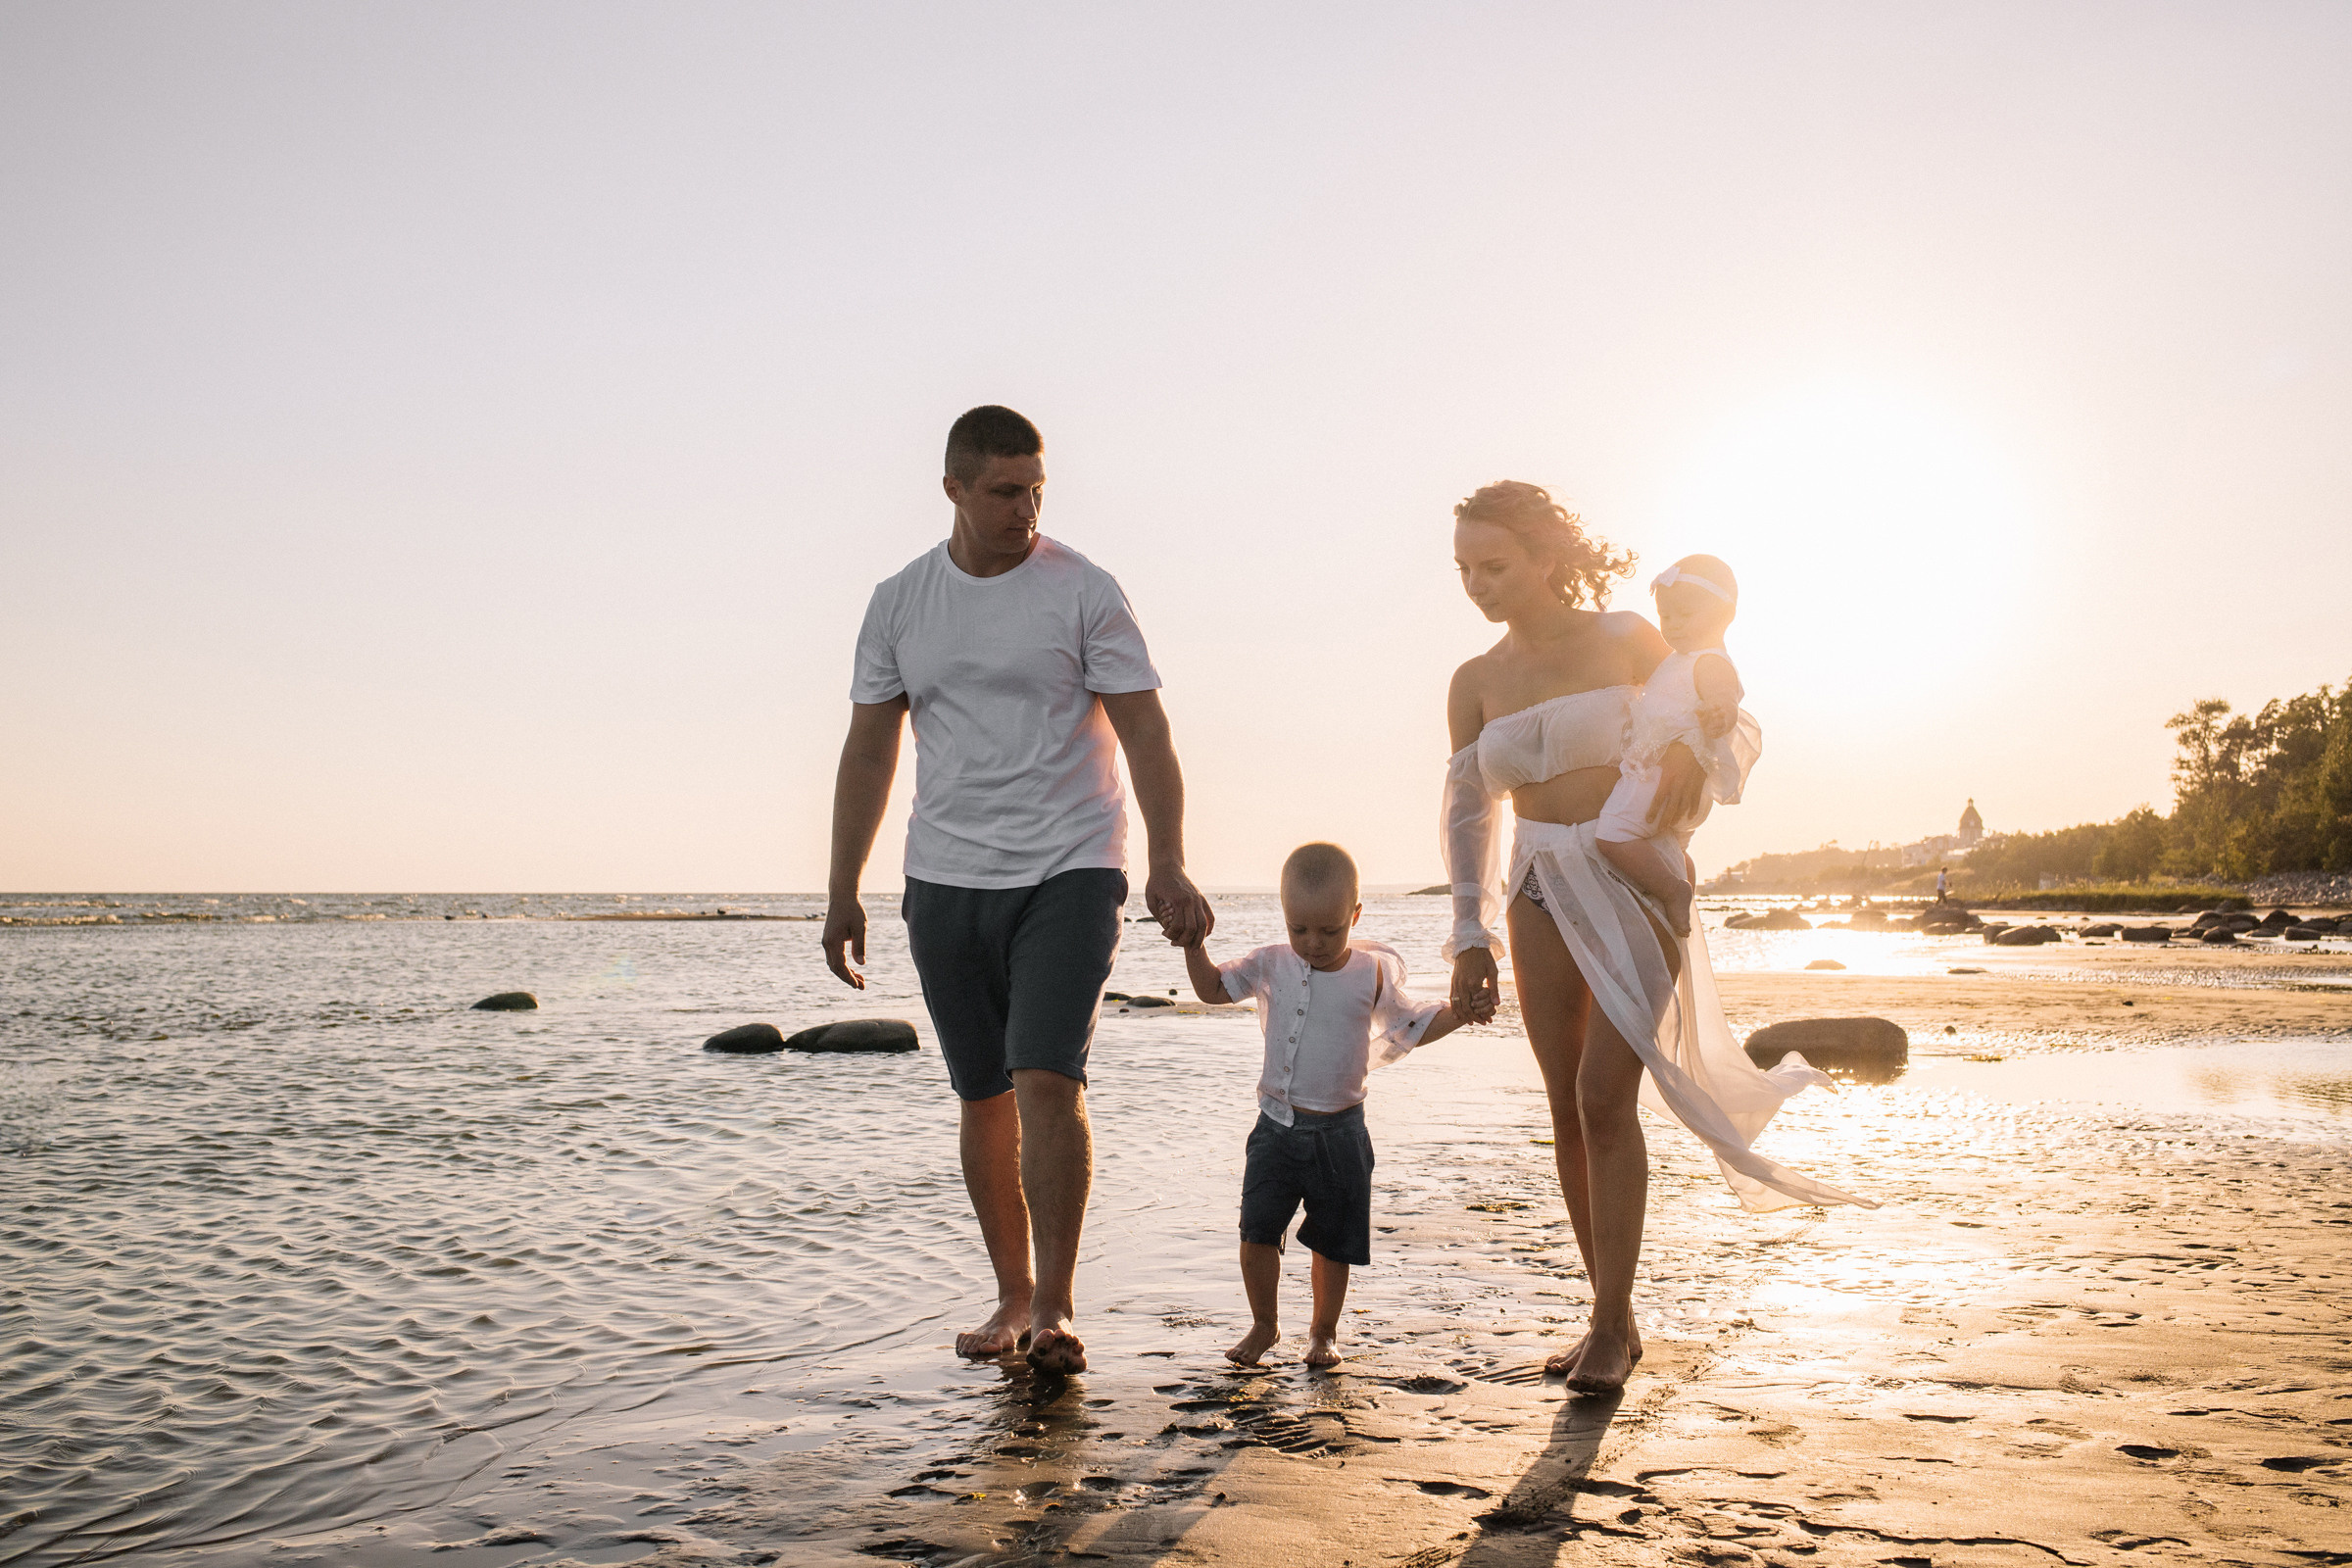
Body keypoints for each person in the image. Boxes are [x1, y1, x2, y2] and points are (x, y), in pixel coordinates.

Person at [1441, 481, 1875, 1396]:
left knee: (1607, 1096)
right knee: (1566, 1103)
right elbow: (1468, 813)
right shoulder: (1474, 682)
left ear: (1547, 557)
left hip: (1630, 881)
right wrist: (1468, 934)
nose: (1477, 584)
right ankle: (1614, 1316)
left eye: (1496, 565)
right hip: (1536, 885)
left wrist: (1690, 765)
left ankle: (1607, 1325)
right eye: (1464, 569)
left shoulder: (1628, 638)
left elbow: (1709, 712)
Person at [822, 405, 1212, 1376]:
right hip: (946, 876)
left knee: (1046, 1074)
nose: (1025, 507)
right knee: (983, 1094)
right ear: (954, 488)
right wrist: (843, 889)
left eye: (1037, 487)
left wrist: (1165, 858)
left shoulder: (1083, 590)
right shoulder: (902, 600)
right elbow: (871, 750)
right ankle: (1010, 1295)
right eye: (1005, 490)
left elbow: (1148, 735)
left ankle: (1058, 1307)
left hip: (1070, 865)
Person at [1181, 842, 1464, 1369]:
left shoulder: (1370, 973)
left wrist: (1463, 1012)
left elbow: (1414, 1024)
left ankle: (1322, 1333)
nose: (1313, 943)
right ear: (1284, 917)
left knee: (1333, 1243)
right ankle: (1264, 1324)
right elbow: (1214, 990)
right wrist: (1194, 947)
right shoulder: (1270, 963)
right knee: (1257, 1231)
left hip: (1342, 1135)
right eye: (1299, 929)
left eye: (1330, 931)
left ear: (1355, 916)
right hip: (1276, 1128)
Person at [1593, 555, 1761, 937]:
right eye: (1666, 616)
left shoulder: (1710, 662)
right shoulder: (1678, 659)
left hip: (1661, 773)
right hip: (1654, 768)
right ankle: (1677, 878)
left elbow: (1724, 698)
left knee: (1613, 834)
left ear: (1725, 615)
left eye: (1685, 614)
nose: (1673, 626)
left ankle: (1674, 890)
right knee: (1670, 847)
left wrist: (1721, 712)